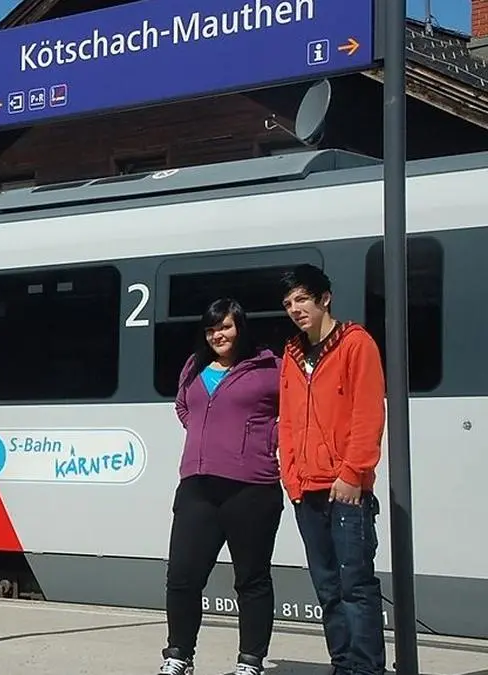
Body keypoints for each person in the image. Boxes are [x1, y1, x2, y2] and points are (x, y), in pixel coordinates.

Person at [159, 298, 284, 675]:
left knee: (251, 578)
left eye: (225, 327)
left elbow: (297, 413)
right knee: (182, 576)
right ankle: (179, 655)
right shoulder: (194, 366)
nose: (218, 335)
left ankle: (250, 661)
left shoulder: (270, 367)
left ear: (241, 327)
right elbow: (183, 407)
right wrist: (207, 434)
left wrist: (261, 439)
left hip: (252, 488)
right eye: (212, 329)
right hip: (197, 486)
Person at [277, 264, 387, 675]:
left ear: (325, 298)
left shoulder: (356, 344)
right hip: (306, 489)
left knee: (355, 585)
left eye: (302, 299)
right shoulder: (291, 354)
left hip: (346, 489)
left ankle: (367, 669)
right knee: (327, 588)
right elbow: (287, 421)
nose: (295, 309)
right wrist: (291, 478)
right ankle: (343, 665)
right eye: (288, 303)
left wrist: (353, 473)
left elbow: (368, 413)